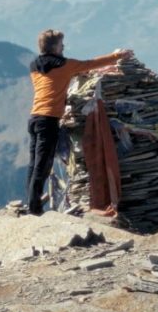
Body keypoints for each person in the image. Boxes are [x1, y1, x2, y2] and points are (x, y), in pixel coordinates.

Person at [25, 29, 133, 215]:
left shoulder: (34, 66)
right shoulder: (65, 65)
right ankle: (33, 209)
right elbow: (91, 64)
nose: (63, 47)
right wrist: (118, 56)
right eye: (61, 44)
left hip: (34, 118)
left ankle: (30, 203)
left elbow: (51, 86)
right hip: (49, 120)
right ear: (54, 47)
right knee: (43, 165)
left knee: (34, 164)